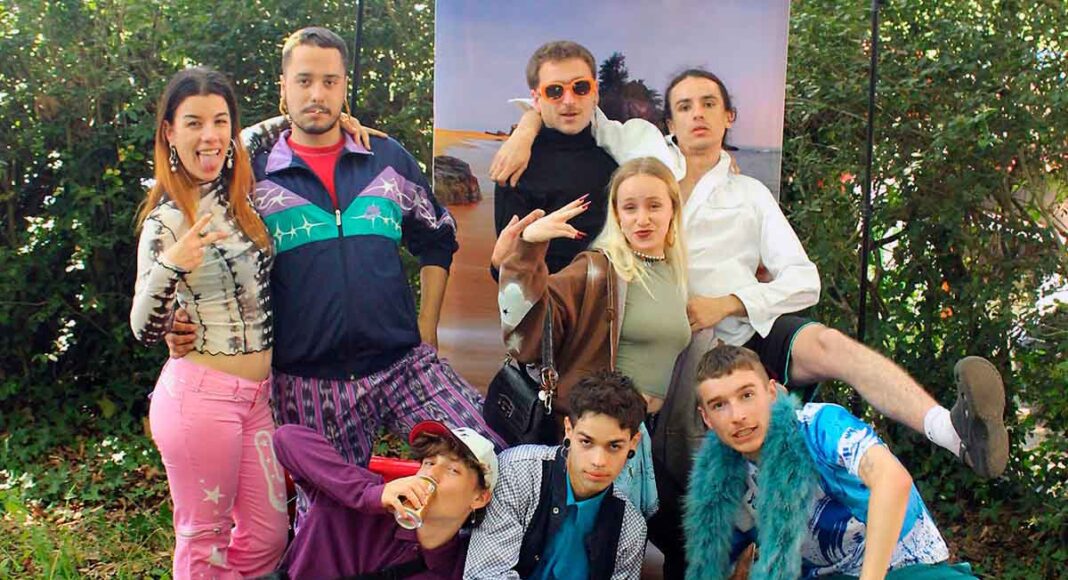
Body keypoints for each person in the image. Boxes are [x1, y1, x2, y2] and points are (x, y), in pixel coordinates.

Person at [495, 66, 1008, 482]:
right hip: (653, 339)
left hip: (735, 333)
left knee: (828, 346)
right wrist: (526, 129)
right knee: (683, 474)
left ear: (729, 117)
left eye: (709, 104)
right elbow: (576, 108)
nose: (697, 114)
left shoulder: (750, 194)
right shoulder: (645, 155)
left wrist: (730, 302)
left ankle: (953, 433)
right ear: (669, 121)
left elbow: (804, 279)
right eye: (684, 106)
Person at [172, 27, 505, 474]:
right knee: (332, 509)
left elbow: (437, 237)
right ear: (283, 88)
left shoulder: (386, 159)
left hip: (403, 364)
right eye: (304, 81)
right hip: (308, 382)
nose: (317, 94)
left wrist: (428, 325)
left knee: (490, 457)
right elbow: (198, 250)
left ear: (344, 86)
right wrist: (180, 316)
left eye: (330, 82)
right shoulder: (249, 177)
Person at [494, 156, 691, 567]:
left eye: (654, 205)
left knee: (683, 545)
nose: (642, 218)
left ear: (673, 209)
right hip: (601, 439)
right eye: (629, 207)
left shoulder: (676, 273)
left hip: (646, 438)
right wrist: (526, 249)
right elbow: (525, 332)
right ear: (616, 214)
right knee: (592, 556)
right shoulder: (600, 269)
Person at [130, 67, 287, 578]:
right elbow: (142, 328)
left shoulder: (234, 189)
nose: (210, 135)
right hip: (201, 399)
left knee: (267, 537)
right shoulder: (166, 220)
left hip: (257, 399)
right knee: (204, 541)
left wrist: (340, 119)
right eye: (193, 123)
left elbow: (267, 127)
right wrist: (172, 264)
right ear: (169, 132)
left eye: (220, 121)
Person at [686, 344, 978, 579]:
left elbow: (893, 481)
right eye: (719, 405)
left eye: (747, 395)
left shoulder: (819, 426)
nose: (737, 416)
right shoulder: (719, 482)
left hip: (905, 564)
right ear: (706, 418)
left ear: (772, 394)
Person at [463, 371, 648, 580]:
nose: (598, 461)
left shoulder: (630, 527)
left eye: (614, 446)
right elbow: (485, 573)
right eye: (586, 442)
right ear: (568, 429)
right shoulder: (518, 472)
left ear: (633, 443)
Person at [271, 420, 497, 579]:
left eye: (453, 470)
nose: (432, 474)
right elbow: (286, 438)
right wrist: (367, 495)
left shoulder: (465, 568)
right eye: (429, 462)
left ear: (479, 497)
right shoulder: (367, 494)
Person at [490, 40, 623, 276]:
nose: (569, 100)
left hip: (614, 294)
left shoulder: (621, 152)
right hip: (543, 295)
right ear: (536, 99)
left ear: (595, 92)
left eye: (580, 87)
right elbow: (505, 269)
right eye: (555, 91)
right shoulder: (517, 163)